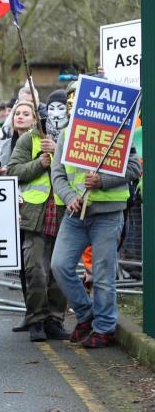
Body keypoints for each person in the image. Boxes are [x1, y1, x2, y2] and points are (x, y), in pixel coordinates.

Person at [50, 113, 140, 348]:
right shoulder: (66, 134)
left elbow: (133, 169)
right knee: (59, 265)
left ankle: (105, 327)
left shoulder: (119, 132)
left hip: (108, 215)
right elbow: (57, 173)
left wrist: (102, 181)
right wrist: (69, 197)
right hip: (75, 214)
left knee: (102, 273)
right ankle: (87, 315)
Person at [7, 111, 70, 343]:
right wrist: (39, 163)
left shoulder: (70, 138)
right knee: (36, 271)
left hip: (65, 214)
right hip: (35, 217)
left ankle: (55, 320)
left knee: (60, 273)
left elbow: (77, 171)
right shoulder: (28, 140)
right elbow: (13, 170)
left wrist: (58, 154)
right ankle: (36, 320)